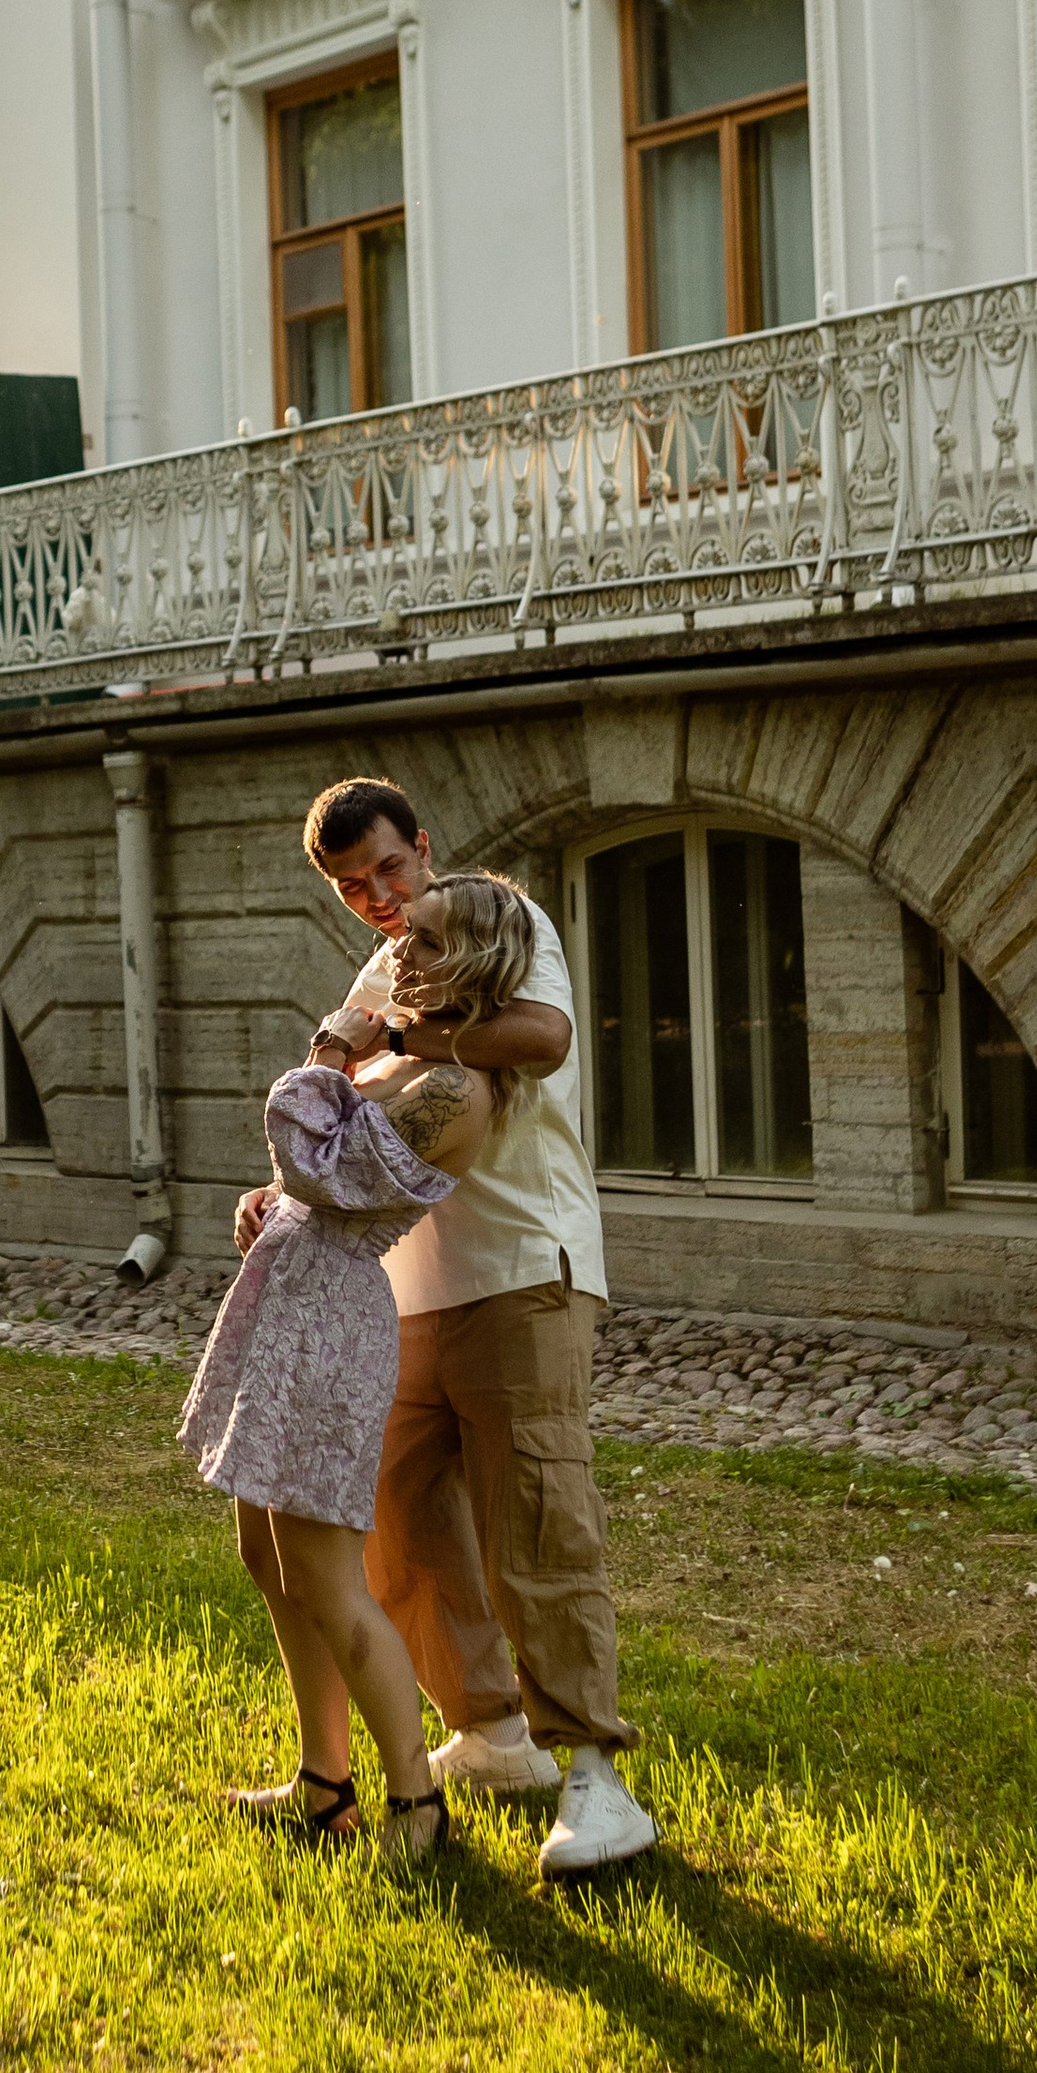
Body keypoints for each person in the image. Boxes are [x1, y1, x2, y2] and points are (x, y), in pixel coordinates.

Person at [237, 776, 657, 1882]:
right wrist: (273, 1193)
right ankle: (491, 1732)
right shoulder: (384, 967)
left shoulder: (496, 926)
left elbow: (542, 1036)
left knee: (537, 1521)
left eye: (387, 867)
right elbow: (340, 1113)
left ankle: (596, 1779)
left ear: (422, 846)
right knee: (386, 1518)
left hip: (524, 1268)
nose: (377, 896)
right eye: (351, 886)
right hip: (402, 1288)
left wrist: (394, 1031)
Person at [182, 1012, 497, 1864]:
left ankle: (418, 1804)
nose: (407, 961)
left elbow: (314, 1161)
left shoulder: (457, 1087)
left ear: (476, 966)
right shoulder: (403, 1060)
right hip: (290, 1307)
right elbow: (302, 1175)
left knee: (328, 1580)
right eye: (409, 950)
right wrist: (266, 1200)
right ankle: (323, 1783)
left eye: (428, 950)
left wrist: (328, 1050)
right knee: (266, 1555)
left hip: (328, 1328)